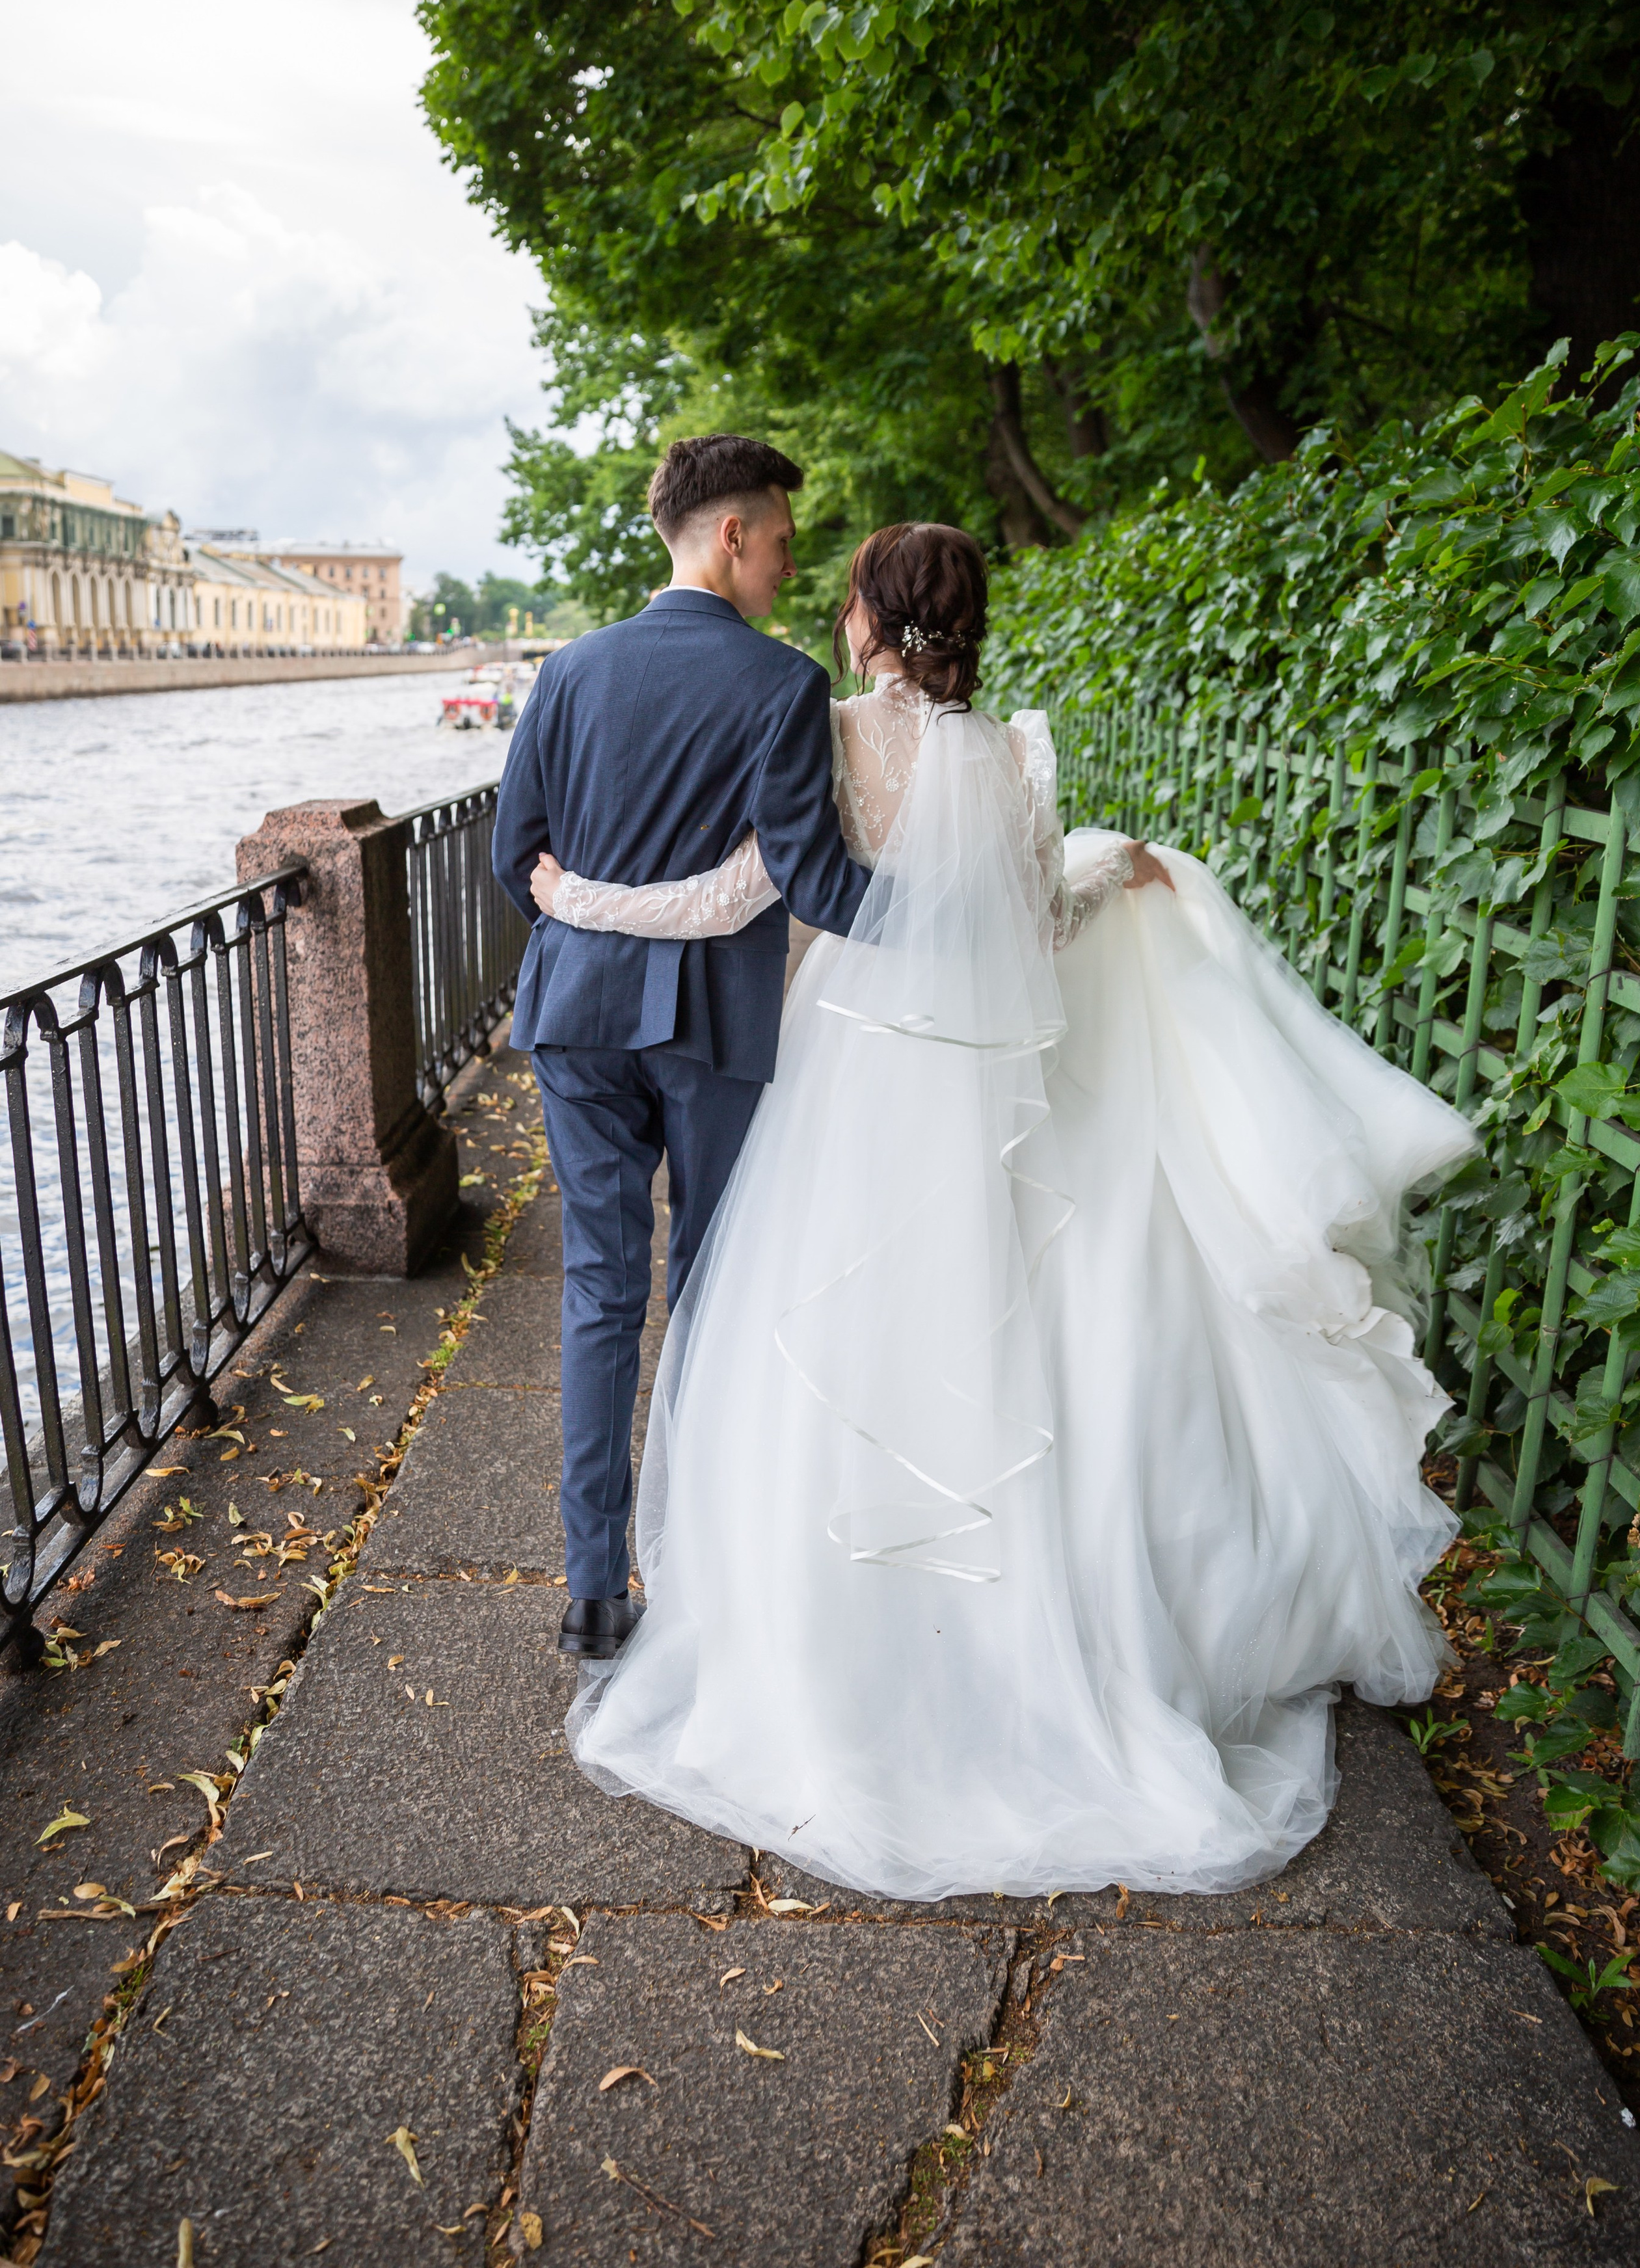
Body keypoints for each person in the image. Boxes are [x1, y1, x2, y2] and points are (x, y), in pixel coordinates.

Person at [527, 519, 1477, 1902]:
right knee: (1002, 1311)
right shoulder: (1018, 750)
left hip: (855, 1050)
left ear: (865, 619)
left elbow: (787, 882)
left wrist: (581, 893)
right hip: (986, 1069)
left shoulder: (829, 725)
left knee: (820, 1326)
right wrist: (1113, 870)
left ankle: (820, 1636)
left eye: (845, 592)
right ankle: (1011, 1632)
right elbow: (1032, 924)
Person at [491, 435, 870, 1661]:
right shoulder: (781, 684)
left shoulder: (567, 670)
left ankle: (596, 1589)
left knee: (601, 1290)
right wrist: (956, 921)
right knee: (711, 1285)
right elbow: (812, 875)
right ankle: (708, 1557)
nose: (788, 565)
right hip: (713, 1021)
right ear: (731, 535)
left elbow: (517, 859)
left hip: (579, 1013)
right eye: (781, 541)